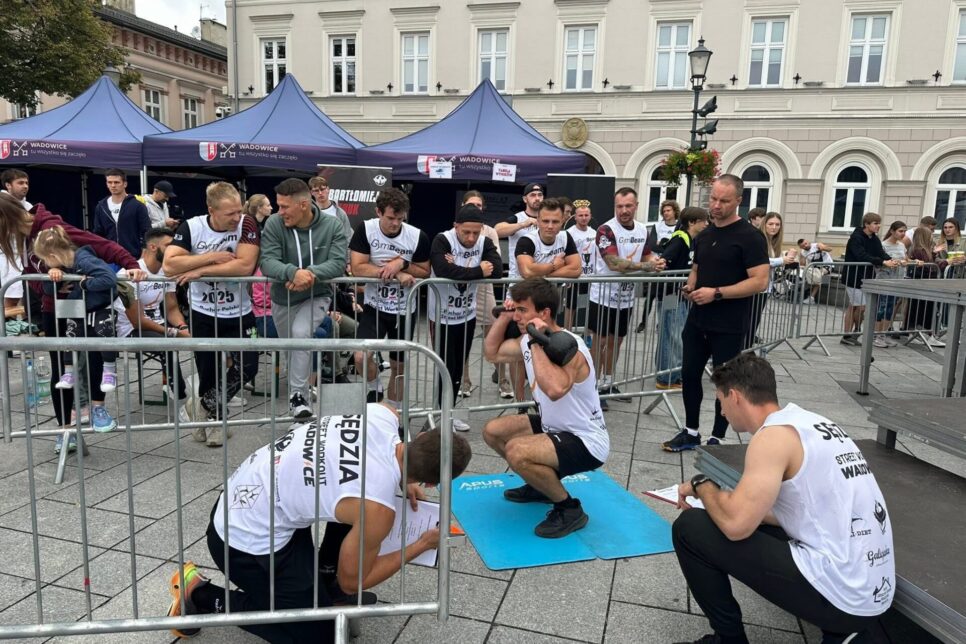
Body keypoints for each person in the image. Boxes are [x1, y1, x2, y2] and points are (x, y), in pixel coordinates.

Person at [165, 403, 472, 642]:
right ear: (432, 484)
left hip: (240, 501)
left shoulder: (383, 416)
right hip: (243, 544)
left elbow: (384, 434)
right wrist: (422, 544)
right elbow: (353, 580)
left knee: (349, 508)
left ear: (420, 437)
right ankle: (200, 595)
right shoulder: (378, 510)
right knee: (321, 637)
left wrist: (406, 476)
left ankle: (324, 590)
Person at [671, 353, 894, 644]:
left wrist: (702, 485)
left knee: (690, 528)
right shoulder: (812, 423)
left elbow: (736, 526)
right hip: (872, 588)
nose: (722, 412)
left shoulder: (771, 437)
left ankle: (729, 640)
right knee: (733, 517)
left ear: (735, 396)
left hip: (845, 596)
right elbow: (791, 511)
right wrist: (723, 501)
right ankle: (846, 632)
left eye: (720, 401)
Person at [1, 194, 143, 449]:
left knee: (93, 356)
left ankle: (96, 409)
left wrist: (130, 264)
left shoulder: (52, 228)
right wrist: (49, 287)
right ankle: (66, 429)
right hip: (54, 308)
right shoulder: (22, 239)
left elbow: (100, 244)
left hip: (83, 304)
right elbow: (30, 274)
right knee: (61, 367)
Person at [482, 277, 609, 538]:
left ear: (544, 313)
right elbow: (492, 353)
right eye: (516, 309)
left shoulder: (570, 346)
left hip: (585, 439)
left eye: (522, 310)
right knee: (493, 431)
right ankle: (540, 485)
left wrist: (535, 341)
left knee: (517, 451)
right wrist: (504, 317)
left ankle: (569, 508)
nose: (517, 316)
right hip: (554, 426)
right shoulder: (528, 340)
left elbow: (554, 390)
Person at [663, 175, 769, 452]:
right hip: (698, 320)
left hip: (729, 323)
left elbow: (760, 281)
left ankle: (718, 437)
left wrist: (717, 293)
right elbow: (696, 269)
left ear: (739, 201)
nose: (716, 205)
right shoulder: (705, 234)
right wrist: (691, 287)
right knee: (689, 374)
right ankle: (691, 431)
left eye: (724, 201)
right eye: (713, 199)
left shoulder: (750, 237)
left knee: (725, 382)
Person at [163, 181, 260, 446]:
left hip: (240, 312)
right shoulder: (192, 227)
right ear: (211, 210)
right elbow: (170, 265)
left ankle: (201, 406)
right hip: (203, 313)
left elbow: (244, 266)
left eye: (239, 210)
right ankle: (216, 421)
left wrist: (200, 271)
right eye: (230, 213)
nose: (237, 218)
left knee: (249, 366)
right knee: (208, 371)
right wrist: (211, 257)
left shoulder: (247, 224)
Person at [260, 178, 348, 420]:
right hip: (283, 298)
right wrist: (292, 273)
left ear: (303, 204)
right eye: (278, 205)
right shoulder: (274, 223)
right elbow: (267, 260)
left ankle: (298, 397)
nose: (280, 211)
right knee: (293, 349)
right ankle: (301, 407)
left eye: (284, 206)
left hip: (316, 295)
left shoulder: (332, 225)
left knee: (300, 335)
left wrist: (308, 275)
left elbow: (338, 262)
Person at [349, 187, 430, 408]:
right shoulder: (366, 229)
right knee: (360, 356)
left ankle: (395, 411)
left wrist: (402, 263)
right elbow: (358, 268)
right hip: (374, 306)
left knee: (398, 367)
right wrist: (394, 272)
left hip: (404, 310)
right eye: (390, 218)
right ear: (378, 212)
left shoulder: (416, 236)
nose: (395, 224)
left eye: (400, 219)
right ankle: (374, 386)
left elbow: (424, 271)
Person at [34, 226, 120, 432]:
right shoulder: (64, 264)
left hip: (98, 308)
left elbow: (109, 278)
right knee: (69, 338)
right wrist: (53, 275)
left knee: (101, 345)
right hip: (75, 308)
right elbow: (47, 289)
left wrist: (84, 285)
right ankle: (69, 373)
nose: (45, 264)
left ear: (53, 255)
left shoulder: (84, 259)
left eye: (45, 260)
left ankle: (109, 374)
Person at [587, 187, 665, 405]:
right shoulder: (606, 230)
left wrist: (656, 261)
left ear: (636, 206)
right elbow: (614, 263)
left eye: (628, 206)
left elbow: (647, 254)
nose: (623, 210)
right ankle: (592, 387)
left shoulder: (642, 229)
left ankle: (608, 382)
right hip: (603, 295)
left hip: (626, 297)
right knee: (600, 342)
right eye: (619, 206)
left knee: (617, 341)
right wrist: (646, 267)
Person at [427, 204, 502, 431]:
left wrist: (458, 269)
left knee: (458, 366)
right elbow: (443, 270)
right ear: (456, 226)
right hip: (441, 315)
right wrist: (478, 271)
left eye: (475, 233)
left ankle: (450, 412)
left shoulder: (484, 242)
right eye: (466, 232)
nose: (470, 238)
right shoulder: (443, 240)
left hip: (466, 314)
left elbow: (497, 270)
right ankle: (441, 414)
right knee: (444, 365)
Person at [112, 227, 192, 419]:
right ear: (153, 247)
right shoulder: (129, 273)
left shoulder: (166, 272)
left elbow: (172, 308)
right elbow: (138, 322)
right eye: (169, 245)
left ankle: (206, 391)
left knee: (198, 337)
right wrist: (173, 333)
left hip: (158, 325)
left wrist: (183, 327)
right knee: (167, 344)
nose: (174, 250)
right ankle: (181, 398)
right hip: (130, 330)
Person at [495, 183, 543, 409]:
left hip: (540, 292)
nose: (537, 198)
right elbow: (497, 230)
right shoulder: (518, 218)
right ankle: (519, 398)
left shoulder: (547, 219)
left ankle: (537, 394)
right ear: (525, 199)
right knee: (517, 345)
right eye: (533, 195)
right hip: (518, 289)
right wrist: (524, 223)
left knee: (538, 345)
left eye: (540, 194)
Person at [459, 190, 509, 399]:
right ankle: (464, 380)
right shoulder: (455, 229)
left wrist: (469, 268)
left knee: (494, 335)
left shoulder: (489, 232)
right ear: (463, 206)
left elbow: (494, 263)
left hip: (484, 289)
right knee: (462, 338)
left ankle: (503, 378)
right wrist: (476, 268)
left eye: (479, 205)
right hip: (461, 290)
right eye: (471, 204)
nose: (475, 208)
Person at [654, 207, 709, 390]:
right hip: (671, 295)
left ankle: (671, 374)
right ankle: (666, 378)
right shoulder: (679, 239)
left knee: (675, 335)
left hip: (680, 295)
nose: (707, 224)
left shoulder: (691, 240)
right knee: (672, 336)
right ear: (692, 222)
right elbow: (665, 262)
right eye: (703, 221)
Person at [841, 212, 899, 347]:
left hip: (866, 277)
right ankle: (850, 333)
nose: (878, 226)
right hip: (853, 277)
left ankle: (852, 333)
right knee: (859, 306)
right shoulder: (856, 238)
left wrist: (891, 260)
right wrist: (882, 262)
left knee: (856, 306)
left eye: (879, 223)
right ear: (866, 224)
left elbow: (881, 253)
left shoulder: (874, 238)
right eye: (875, 223)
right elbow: (861, 255)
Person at [749, 212, 797, 347]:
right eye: (771, 224)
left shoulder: (772, 242)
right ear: (764, 224)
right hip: (754, 286)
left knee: (755, 321)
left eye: (777, 224)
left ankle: (747, 348)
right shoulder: (758, 238)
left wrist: (786, 259)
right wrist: (782, 260)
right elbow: (760, 260)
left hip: (765, 286)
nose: (774, 227)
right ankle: (744, 350)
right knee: (750, 321)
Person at [636, 199, 681, 333]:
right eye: (664, 211)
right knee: (650, 295)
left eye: (669, 210)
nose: (666, 213)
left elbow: (678, 247)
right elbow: (652, 246)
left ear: (674, 211)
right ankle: (643, 322)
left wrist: (663, 244)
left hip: (671, 267)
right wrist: (668, 246)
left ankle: (661, 323)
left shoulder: (679, 226)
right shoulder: (657, 226)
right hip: (657, 266)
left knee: (668, 297)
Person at [514, 197, 582, 282]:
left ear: (562, 221)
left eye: (555, 222)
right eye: (545, 221)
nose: (550, 226)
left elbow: (576, 269)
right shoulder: (527, 240)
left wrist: (546, 275)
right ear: (538, 221)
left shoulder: (565, 237)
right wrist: (553, 265)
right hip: (526, 290)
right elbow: (527, 272)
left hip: (552, 290)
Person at [93, 168, 151, 258]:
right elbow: (98, 234)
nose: (113, 185)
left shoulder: (137, 205)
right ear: (106, 184)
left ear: (125, 184)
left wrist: (143, 256)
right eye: (110, 182)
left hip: (133, 256)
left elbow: (147, 232)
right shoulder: (101, 206)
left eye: (116, 182)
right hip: (109, 257)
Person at [904, 227, 946, 347]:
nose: (932, 237)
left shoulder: (920, 249)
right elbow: (928, 265)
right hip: (923, 283)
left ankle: (918, 332)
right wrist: (937, 256)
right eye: (930, 234)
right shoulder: (920, 250)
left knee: (920, 308)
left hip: (922, 283)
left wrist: (935, 253)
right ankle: (926, 333)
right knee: (924, 309)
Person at [874, 221, 911, 347]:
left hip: (897, 280)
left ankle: (884, 334)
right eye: (900, 231)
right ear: (892, 231)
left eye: (904, 231)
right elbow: (879, 263)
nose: (903, 234)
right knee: (882, 308)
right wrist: (893, 263)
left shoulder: (901, 245)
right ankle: (877, 335)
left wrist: (912, 261)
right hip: (884, 280)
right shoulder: (883, 245)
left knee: (891, 308)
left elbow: (906, 259)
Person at [563, 199, 596, 332]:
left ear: (590, 216)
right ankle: (567, 332)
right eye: (580, 215)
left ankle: (588, 334)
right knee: (571, 306)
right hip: (575, 276)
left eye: (586, 215)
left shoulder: (594, 233)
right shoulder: (569, 233)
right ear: (575, 217)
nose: (583, 218)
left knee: (590, 306)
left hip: (591, 276)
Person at [0, 169, 31, 309]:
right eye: (20, 183)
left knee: (18, 300)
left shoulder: (29, 206)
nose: (25, 186)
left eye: (26, 183)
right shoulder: (1, 204)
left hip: (24, 258)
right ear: (8, 185)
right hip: (5, 256)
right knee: (10, 299)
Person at [309, 175, 353, 240]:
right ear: (311, 193)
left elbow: (348, 236)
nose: (320, 193)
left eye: (322, 189)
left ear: (328, 189)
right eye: (316, 190)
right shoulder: (309, 213)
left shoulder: (340, 213)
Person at [796, 238, 834, 304]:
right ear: (800, 247)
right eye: (803, 246)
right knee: (807, 274)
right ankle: (805, 294)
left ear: (808, 242)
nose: (805, 246)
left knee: (817, 275)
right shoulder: (803, 252)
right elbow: (802, 264)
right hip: (814, 268)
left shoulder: (817, 245)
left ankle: (812, 297)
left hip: (827, 266)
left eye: (805, 244)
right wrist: (802, 259)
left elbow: (830, 249)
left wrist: (823, 248)